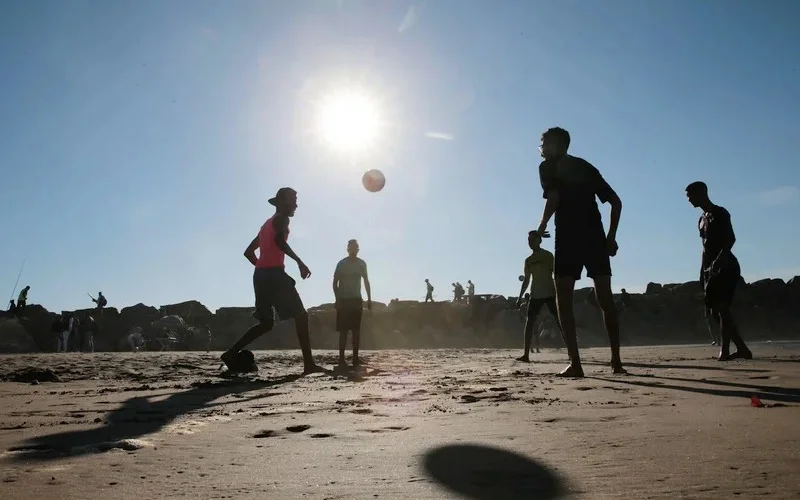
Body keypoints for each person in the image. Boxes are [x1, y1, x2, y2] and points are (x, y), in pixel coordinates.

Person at [536, 127, 625, 377]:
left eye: (545, 144)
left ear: (558, 145)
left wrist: (542, 225)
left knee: (563, 300)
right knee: (605, 299)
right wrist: (610, 237)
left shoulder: (547, 168)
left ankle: (576, 364)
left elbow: (553, 198)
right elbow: (616, 201)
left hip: (568, 239)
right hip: (595, 237)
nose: (542, 149)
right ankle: (616, 362)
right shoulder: (586, 166)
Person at [221, 187, 323, 374]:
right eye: (293, 200)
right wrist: (299, 262)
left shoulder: (266, 225)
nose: (296, 205)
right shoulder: (281, 219)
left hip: (260, 276)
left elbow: (248, 253)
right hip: (273, 274)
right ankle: (309, 364)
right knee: (301, 315)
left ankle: (230, 353)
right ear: (283, 202)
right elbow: (279, 242)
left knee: (266, 323)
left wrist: (263, 268)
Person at [685, 181, 752, 361]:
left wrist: (721, 258)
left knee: (722, 307)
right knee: (714, 311)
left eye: (690, 196)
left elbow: (730, 238)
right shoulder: (701, 219)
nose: (689, 200)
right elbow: (704, 248)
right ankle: (742, 348)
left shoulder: (720, 213)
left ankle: (725, 350)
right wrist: (702, 271)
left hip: (727, 266)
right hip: (710, 269)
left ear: (700, 194)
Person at [515, 230, 561, 361]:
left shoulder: (548, 255)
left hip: (550, 293)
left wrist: (560, 293)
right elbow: (526, 280)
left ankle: (571, 351)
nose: (530, 243)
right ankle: (526, 354)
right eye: (528, 241)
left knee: (559, 321)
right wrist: (519, 297)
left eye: (532, 240)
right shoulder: (528, 260)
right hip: (535, 294)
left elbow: (556, 274)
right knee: (529, 323)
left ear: (539, 241)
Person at [333, 239, 372, 368]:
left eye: (356, 247)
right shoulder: (341, 263)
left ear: (358, 249)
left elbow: (366, 281)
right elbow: (335, 283)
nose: (354, 250)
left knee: (356, 330)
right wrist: (337, 299)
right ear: (348, 249)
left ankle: (355, 358)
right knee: (343, 331)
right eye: (351, 247)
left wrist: (369, 299)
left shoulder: (362, 264)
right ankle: (341, 359)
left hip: (356, 300)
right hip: (344, 301)